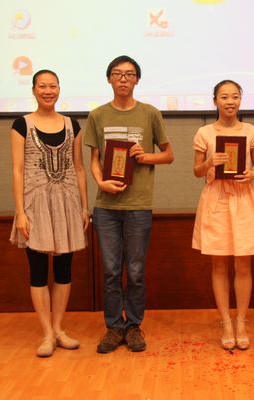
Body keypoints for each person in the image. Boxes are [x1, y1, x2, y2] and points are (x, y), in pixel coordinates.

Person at [84, 55, 174, 354]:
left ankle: (134, 325)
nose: (123, 79)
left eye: (129, 74)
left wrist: (145, 156)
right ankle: (114, 327)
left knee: (135, 271)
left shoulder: (150, 113)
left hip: (138, 205)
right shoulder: (97, 115)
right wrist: (101, 182)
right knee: (111, 271)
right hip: (106, 208)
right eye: (117, 73)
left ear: (137, 80)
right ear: (109, 79)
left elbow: (168, 155)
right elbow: (94, 159)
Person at [9, 69, 90, 357]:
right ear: (33, 90)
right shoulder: (21, 124)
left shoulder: (72, 124)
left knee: (64, 270)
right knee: (39, 271)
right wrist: (20, 212)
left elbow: (79, 169)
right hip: (35, 205)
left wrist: (84, 207)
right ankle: (46, 333)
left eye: (52, 86)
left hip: (67, 204)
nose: (48, 91)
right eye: (42, 86)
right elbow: (17, 170)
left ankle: (58, 329)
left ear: (59, 89)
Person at [192, 80, 254, 351]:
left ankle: (242, 322)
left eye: (235, 96)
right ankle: (226, 322)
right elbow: (197, 172)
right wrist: (208, 163)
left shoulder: (251, 131)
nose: (230, 102)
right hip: (216, 200)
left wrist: (251, 174)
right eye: (224, 97)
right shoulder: (204, 133)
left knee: (244, 264)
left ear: (240, 100)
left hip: (243, 198)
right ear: (215, 101)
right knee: (219, 265)